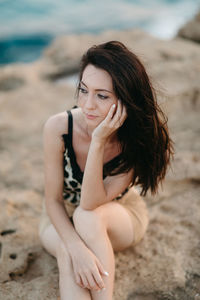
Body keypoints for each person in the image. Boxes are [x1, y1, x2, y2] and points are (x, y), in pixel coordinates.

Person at [38, 40, 174, 300]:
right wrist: (77, 248)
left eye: (101, 96)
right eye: (83, 90)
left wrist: (99, 140)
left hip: (117, 216)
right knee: (69, 253)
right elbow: (53, 201)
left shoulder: (138, 137)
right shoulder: (58, 128)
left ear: (125, 100)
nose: (87, 105)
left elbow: (90, 203)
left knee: (88, 217)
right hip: (60, 216)